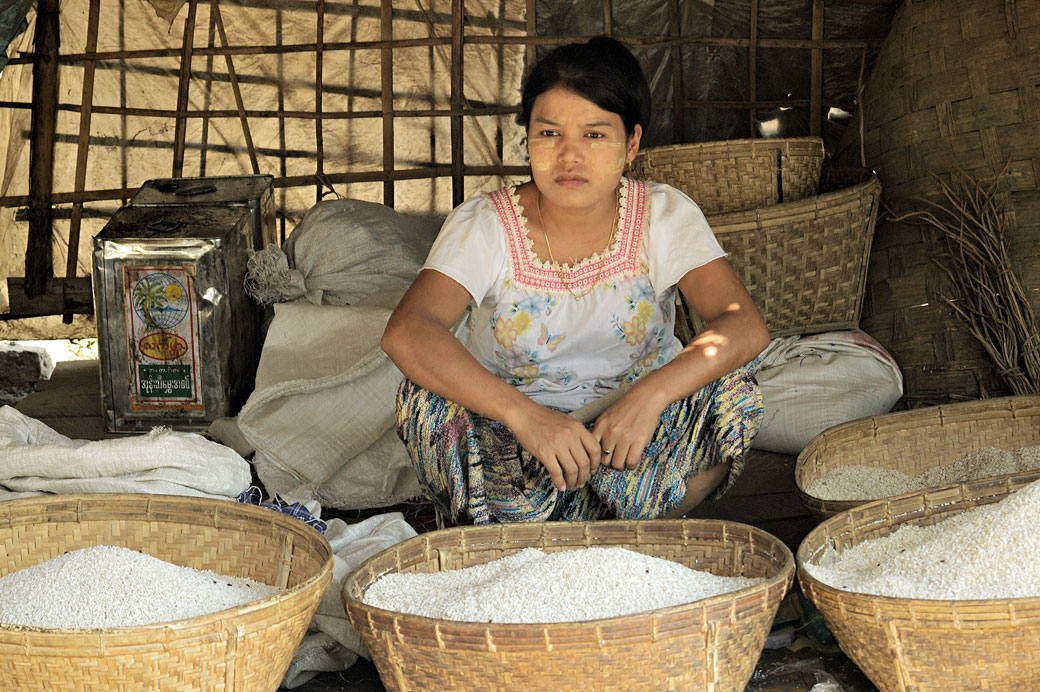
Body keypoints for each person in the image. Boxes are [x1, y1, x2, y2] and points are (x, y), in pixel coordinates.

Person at [381, 36, 769, 525]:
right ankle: (556, 531)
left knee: (734, 391)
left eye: (594, 135)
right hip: (519, 445)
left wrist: (649, 398)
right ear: (528, 141)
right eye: (549, 134)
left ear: (631, 143)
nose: (569, 156)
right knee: (424, 402)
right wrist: (527, 418)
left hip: (634, 440)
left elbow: (742, 324)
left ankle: (630, 528)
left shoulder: (663, 215)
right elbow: (408, 331)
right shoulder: (486, 223)